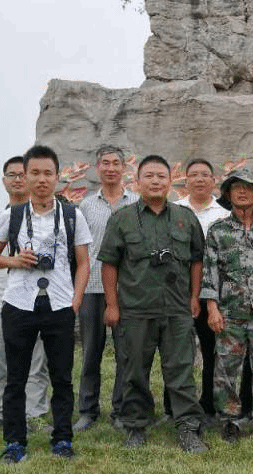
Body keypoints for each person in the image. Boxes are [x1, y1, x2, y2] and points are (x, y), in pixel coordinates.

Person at [0, 145, 92, 463]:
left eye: (47, 173)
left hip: (59, 304)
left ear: (58, 177)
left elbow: (84, 262)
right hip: (19, 302)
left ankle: (62, 438)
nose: (41, 179)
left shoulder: (72, 215)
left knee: (61, 377)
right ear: (26, 176)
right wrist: (15, 261)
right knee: (16, 377)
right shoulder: (13, 216)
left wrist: (75, 301)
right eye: (35, 173)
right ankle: (15, 442)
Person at [99, 154, 209, 453]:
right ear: (137, 182)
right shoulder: (121, 218)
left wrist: (194, 297)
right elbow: (109, 263)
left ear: (170, 182)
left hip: (177, 309)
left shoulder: (185, 218)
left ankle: (187, 428)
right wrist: (112, 305)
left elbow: (197, 260)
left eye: (161, 176)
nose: (156, 181)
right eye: (149, 176)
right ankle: (136, 426)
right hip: (136, 309)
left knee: (181, 371)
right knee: (134, 371)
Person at [201, 169, 253, 442]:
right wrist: (212, 307)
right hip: (229, 313)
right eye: (236, 187)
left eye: (248, 187)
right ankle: (230, 420)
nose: (242, 191)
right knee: (226, 369)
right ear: (228, 194)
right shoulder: (218, 230)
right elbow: (209, 271)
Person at [0, 156, 51, 435]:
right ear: (3, 180)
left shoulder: (47, 217)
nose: (17, 179)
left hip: (37, 299)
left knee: (37, 363)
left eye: (22, 174)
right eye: (11, 175)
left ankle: (35, 414)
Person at [75, 145, 138, 432]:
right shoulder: (86, 206)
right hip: (92, 288)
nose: (111, 168)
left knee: (126, 353)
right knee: (91, 352)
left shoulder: (136, 203)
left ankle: (121, 409)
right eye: (105, 163)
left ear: (124, 168)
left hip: (127, 289)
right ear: (97, 168)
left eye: (115, 163)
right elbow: (79, 251)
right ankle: (87, 410)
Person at [176, 159, 233, 422]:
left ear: (214, 180)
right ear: (185, 180)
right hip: (177, 293)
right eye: (194, 175)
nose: (199, 179)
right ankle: (174, 405)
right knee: (177, 353)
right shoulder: (174, 210)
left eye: (205, 175)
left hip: (213, 295)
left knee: (212, 351)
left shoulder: (224, 215)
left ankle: (209, 404)